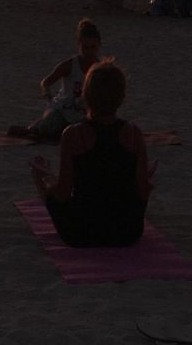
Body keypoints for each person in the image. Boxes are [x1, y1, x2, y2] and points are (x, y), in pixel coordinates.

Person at [29, 59, 154, 247]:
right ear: (121, 96)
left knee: (45, 182)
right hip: (128, 232)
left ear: (86, 95)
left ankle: (41, 177)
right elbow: (143, 192)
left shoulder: (73, 134)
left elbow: (63, 194)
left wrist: (47, 179)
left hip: (82, 232)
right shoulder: (134, 133)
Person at [8, 18, 102, 140]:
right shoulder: (69, 65)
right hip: (63, 110)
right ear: (78, 45)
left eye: (93, 47)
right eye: (85, 47)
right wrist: (48, 95)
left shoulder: (101, 68)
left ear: (99, 44)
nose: (89, 52)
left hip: (85, 113)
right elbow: (46, 82)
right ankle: (31, 128)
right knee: (46, 130)